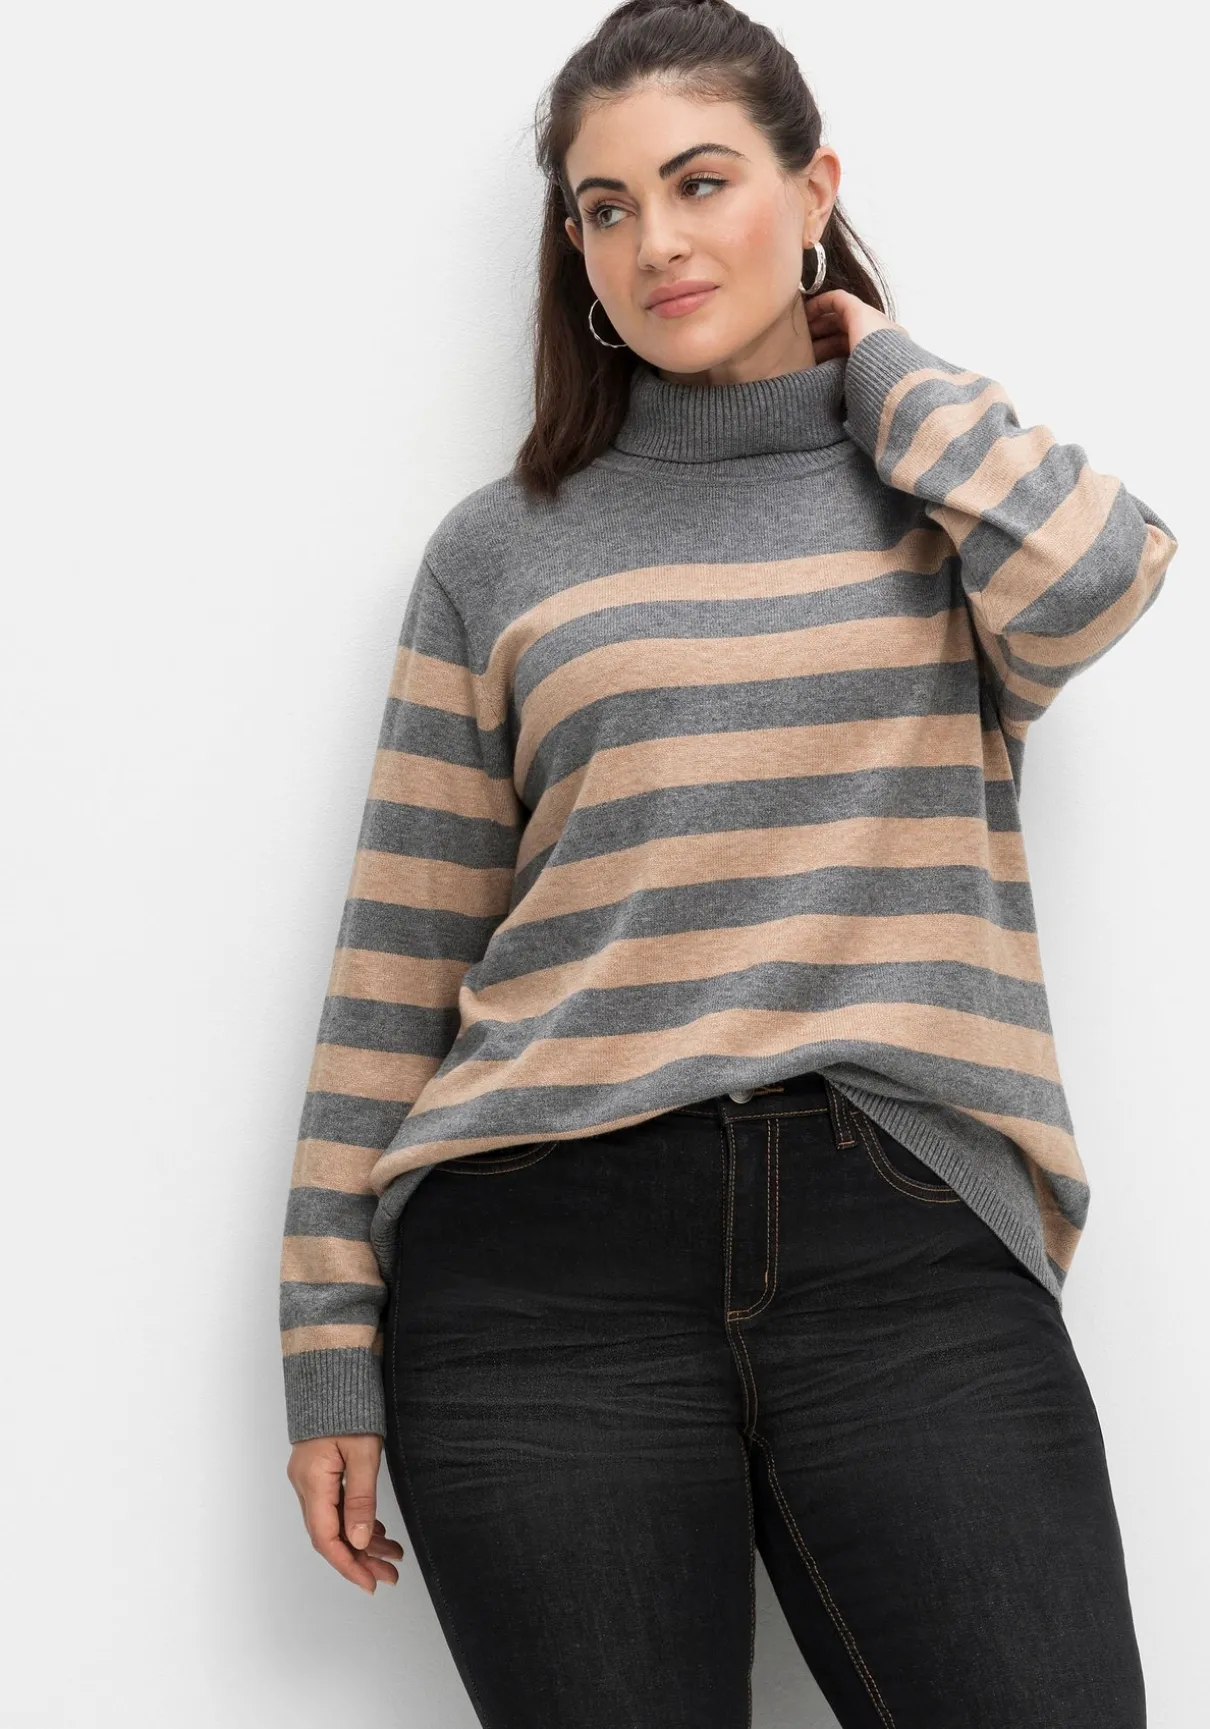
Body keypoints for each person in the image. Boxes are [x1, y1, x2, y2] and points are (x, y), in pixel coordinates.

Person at [279, 2, 1177, 1723]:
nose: (655, 243)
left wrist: (877, 363)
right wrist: (327, 1335)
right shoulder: (502, 550)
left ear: (812, 188)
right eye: (604, 208)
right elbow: (401, 953)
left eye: (700, 182)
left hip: (898, 1240)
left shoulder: (937, 497)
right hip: (534, 1269)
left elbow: (1097, 578)